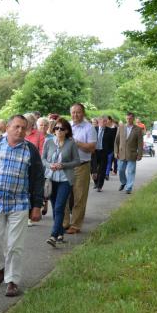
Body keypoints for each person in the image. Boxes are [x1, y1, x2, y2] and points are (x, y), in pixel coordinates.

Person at [0, 115, 44, 297]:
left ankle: (12, 280)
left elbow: (37, 179)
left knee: (14, 246)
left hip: (19, 203)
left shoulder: (31, 150)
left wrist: (36, 205)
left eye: (23, 128)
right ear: (8, 127)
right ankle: (0, 267)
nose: (20, 131)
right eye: (16, 127)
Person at [42, 118, 80, 246]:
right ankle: (60, 233)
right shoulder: (48, 142)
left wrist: (63, 165)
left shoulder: (71, 143)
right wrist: (49, 165)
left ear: (67, 131)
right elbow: (43, 159)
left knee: (59, 207)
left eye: (61, 129)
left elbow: (77, 161)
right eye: (56, 128)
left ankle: (53, 236)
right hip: (51, 179)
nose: (58, 131)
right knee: (55, 208)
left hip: (65, 179)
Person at [62, 103, 97, 234]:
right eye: (73, 112)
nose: (75, 115)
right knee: (63, 195)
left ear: (83, 113)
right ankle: (64, 222)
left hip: (81, 166)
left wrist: (75, 143)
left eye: (78, 112)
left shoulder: (89, 128)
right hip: (66, 166)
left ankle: (75, 225)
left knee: (79, 197)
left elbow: (92, 148)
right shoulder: (66, 126)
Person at [114, 112, 144, 194]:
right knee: (120, 170)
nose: (128, 120)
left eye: (130, 118)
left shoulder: (138, 129)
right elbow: (116, 141)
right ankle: (124, 182)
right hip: (121, 153)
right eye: (127, 118)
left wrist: (140, 154)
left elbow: (140, 143)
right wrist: (116, 152)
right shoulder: (121, 127)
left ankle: (129, 187)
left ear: (133, 119)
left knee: (131, 171)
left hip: (132, 153)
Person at [91, 116, 116, 192]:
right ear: (98, 122)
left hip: (104, 152)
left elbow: (112, 143)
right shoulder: (93, 129)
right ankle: (96, 182)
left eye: (105, 121)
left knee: (102, 170)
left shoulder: (110, 131)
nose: (104, 123)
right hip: (94, 152)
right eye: (102, 121)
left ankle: (99, 186)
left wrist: (108, 152)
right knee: (93, 169)